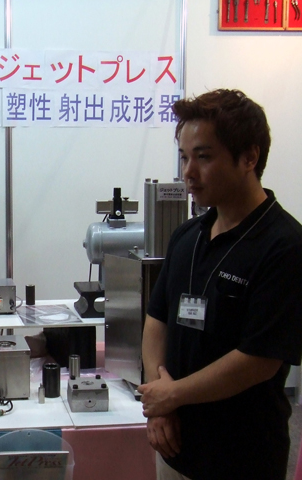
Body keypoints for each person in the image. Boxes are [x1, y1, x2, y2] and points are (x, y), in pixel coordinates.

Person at [138, 89, 302, 480]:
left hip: (241, 456)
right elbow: (157, 321)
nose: (188, 172)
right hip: (174, 449)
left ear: (249, 158)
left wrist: (171, 395)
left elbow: (258, 360)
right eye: (184, 157)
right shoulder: (187, 236)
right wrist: (160, 404)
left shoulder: (284, 245)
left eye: (204, 157)